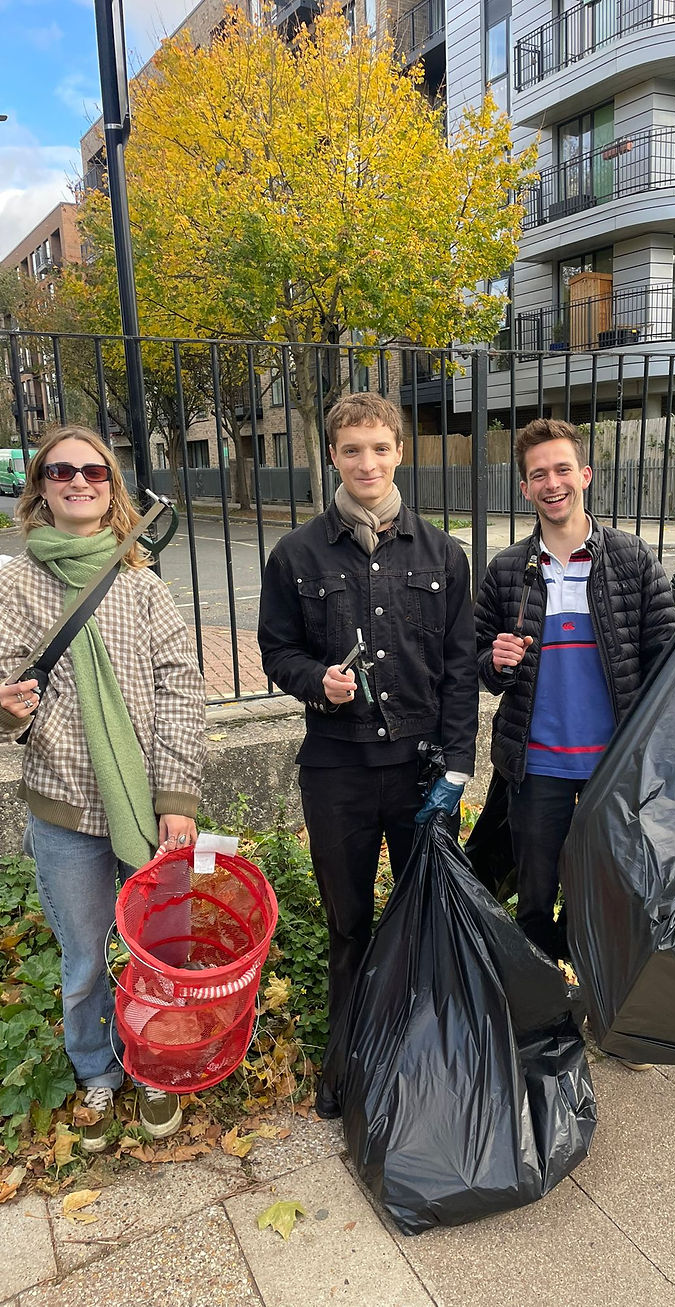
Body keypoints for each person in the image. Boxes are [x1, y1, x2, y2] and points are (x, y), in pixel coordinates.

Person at [0, 425, 206, 1153]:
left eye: (94, 470)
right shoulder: (12, 589)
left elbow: (181, 692)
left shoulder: (141, 586)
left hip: (150, 808)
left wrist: (176, 799)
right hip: (63, 811)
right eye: (61, 471)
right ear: (40, 486)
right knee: (85, 956)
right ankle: (97, 1067)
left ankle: (154, 1064)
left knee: (160, 947)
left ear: (112, 486)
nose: (79, 481)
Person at [257, 392, 478, 1114]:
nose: (367, 462)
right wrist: (315, 682)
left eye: (380, 447)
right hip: (337, 773)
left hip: (421, 773)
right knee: (347, 923)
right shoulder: (296, 554)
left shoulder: (443, 554)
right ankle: (348, 1064)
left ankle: (422, 1061)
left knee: (425, 921)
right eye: (352, 449)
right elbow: (277, 649)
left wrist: (457, 765)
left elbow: (460, 669)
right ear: (332, 456)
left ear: (399, 452)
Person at [473, 418, 675, 970]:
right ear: (524, 488)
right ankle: (544, 1004)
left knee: (609, 894)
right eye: (538, 475)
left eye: (562, 469)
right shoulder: (507, 570)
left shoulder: (633, 559)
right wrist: (495, 662)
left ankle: (598, 993)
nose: (552, 483)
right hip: (537, 768)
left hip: (616, 769)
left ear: (585, 475)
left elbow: (665, 661)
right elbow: (478, 662)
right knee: (535, 899)